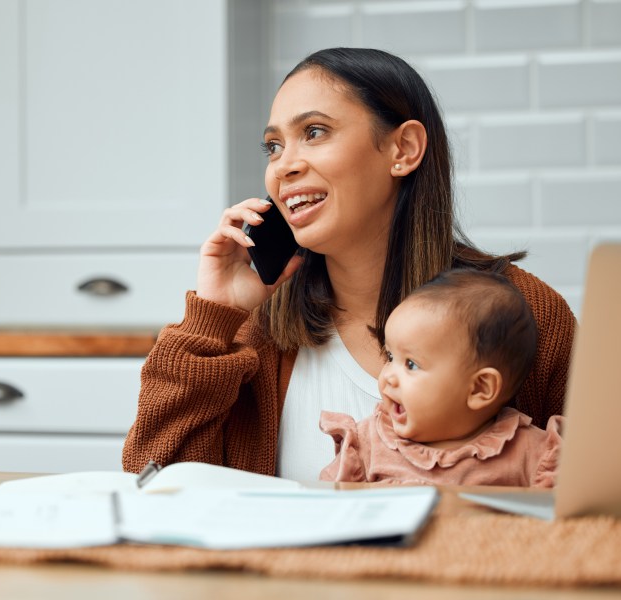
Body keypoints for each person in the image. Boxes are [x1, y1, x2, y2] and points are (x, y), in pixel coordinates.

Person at [122, 47, 576, 480]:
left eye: (314, 133)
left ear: (404, 150)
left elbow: (598, 495)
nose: (283, 167)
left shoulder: (527, 314)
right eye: (274, 147)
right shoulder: (257, 331)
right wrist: (214, 318)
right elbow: (156, 483)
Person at [319, 268, 563, 488]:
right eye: (390, 357)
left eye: (411, 364)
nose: (389, 377)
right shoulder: (369, 444)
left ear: (480, 388)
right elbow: (325, 512)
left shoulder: (531, 454)